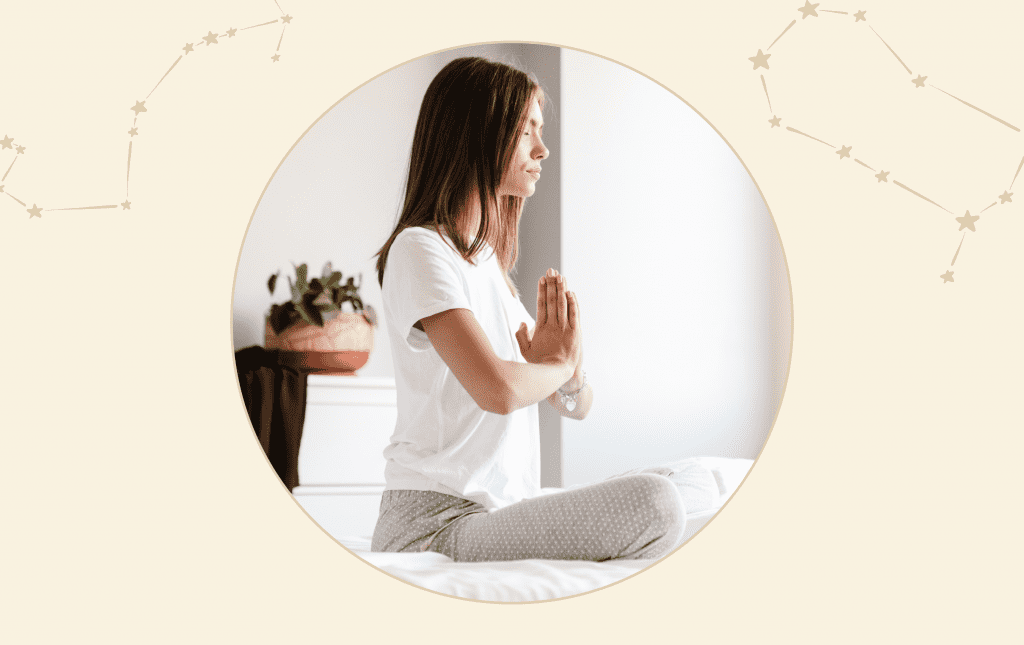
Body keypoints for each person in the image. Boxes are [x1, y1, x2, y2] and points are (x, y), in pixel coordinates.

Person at [370, 56, 684, 562]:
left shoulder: (488, 263)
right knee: (657, 504)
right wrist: (553, 367)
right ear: (478, 135)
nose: (543, 149)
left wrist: (568, 371)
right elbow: (499, 388)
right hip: (435, 522)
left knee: (680, 482)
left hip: (496, 509)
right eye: (526, 132)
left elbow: (575, 404)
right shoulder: (420, 248)